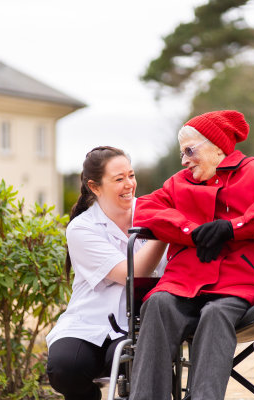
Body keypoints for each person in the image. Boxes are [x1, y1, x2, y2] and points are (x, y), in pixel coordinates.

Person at [129, 110, 254, 400]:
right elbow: (145, 210)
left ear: (217, 147)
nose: (184, 160)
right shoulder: (179, 183)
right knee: (157, 304)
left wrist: (234, 227)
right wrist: (191, 231)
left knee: (216, 313)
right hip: (184, 282)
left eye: (189, 151)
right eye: (182, 154)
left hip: (242, 280)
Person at [46, 146, 167, 400]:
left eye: (131, 176)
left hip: (138, 324)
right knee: (65, 368)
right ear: (95, 187)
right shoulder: (82, 228)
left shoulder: (152, 212)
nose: (129, 184)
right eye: (119, 179)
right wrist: (165, 232)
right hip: (88, 323)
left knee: (129, 360)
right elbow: (128, 273)